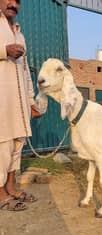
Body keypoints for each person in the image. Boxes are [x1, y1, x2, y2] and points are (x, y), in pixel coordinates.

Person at [0, 0, 41, 211]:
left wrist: (31, 101)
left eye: (16, 1)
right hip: (2, 101)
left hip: (19, 102)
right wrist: (3, 50)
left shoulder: (20, 34)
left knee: (17, 144)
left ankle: (11, 187)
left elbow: (25, 73)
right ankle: (0, 194)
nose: (12, 4)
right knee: (2, 146)